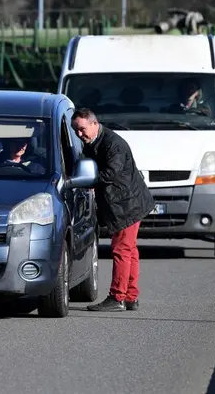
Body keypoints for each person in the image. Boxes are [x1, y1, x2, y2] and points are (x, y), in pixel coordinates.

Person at [71, 107, 154, 312]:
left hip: (127, 205)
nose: (79, 134)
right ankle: (130, 297)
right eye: (76, 131)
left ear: (94, 123)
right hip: (126, 203)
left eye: (82, 129)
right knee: (130, 251)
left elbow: (111, 173)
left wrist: (87, 181)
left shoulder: (113, 144)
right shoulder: (93, 142)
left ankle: (117, 298)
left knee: (121, 250)